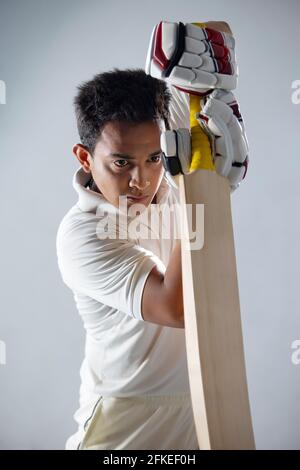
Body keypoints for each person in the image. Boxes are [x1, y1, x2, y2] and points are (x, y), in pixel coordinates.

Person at [56, 20, 248, 450]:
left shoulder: (170, 189)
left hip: (199, 407)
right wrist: (199, 193)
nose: (141, 180)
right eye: (121, 163)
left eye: (154, 158)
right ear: (86, 158)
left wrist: (199, 170)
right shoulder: (81, 234)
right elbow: (174, 305)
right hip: (125, 425)